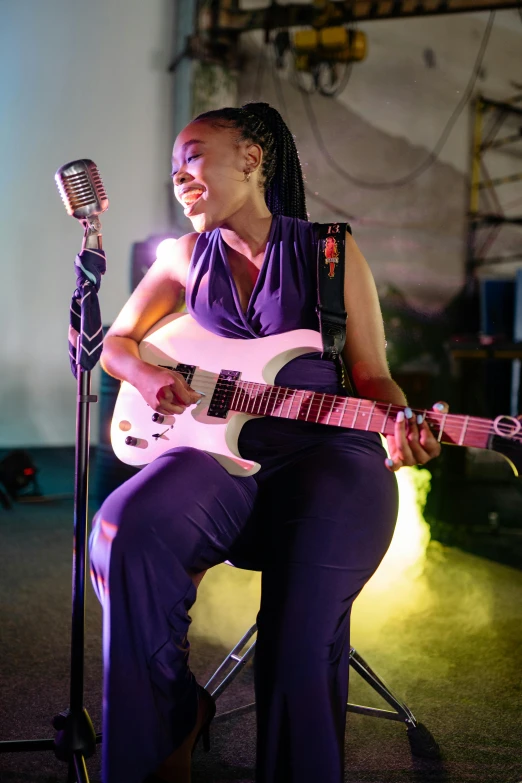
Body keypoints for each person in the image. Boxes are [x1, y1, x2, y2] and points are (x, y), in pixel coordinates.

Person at [89, 102, 444, 783]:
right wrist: (149, 374)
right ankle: (164, 728)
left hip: (329, 457)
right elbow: (119, 344)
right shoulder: (186, 257)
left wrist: (402, 428)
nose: (178, 176)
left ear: (251, 158)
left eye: (192, 156)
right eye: (172, 168)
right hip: (222, 454)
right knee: (122, 528)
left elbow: (374, 377)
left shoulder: (330, 251)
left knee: (297, 632)